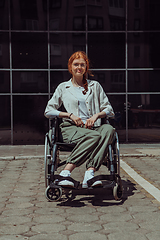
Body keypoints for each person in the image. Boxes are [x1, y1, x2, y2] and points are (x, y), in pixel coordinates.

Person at [44, 51, 115, 188]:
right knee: (94, 136)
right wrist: (69, 115)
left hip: (93, 127)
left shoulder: (95, 86)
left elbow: (109, 110)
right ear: (70, 67)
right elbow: (48, 111)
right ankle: (65, 173)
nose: (79, 67)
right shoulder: (63, 87)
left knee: (108, 129)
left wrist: (96, 116)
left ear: (86, 68)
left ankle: (89, 174)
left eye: (82, 65)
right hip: (71, 128)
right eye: (76, 64)